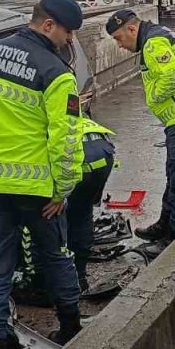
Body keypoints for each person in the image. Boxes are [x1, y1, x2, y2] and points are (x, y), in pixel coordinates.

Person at [0, 0, 86, 349]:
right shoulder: (56, 73)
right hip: (36, 188)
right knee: (55, 254)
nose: (70, 40)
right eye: (68, 32)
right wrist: (63, 190)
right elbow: (66, 140)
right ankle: (70, 327)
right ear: (48, 25)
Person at [105, 9, 175, 250]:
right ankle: (165, 223)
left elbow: (173, 76)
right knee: (174, 176)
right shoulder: (157, 36)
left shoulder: (153, 43)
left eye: (119, 38)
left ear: (132, 29)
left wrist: (153, 97)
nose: (120, 46)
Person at [66, 116, 115, 292]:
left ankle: (63, 281)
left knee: (55, 216)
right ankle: (80, 275)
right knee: (82, 212)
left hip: (77, 155)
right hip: (102, 150)